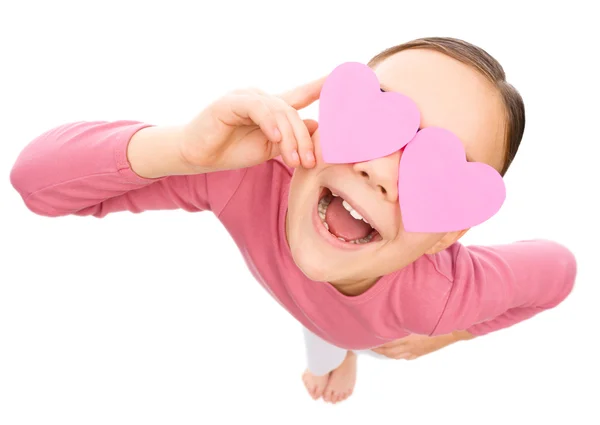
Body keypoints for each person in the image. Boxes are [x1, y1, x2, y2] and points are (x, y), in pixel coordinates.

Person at [10, 37, 577, 405]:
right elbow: (34, 182)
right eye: (375, 113)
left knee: (336, 335)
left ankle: (340, 350)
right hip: (313, 280)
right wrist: (184, 148)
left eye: (440, 171)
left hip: (357, 323)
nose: (380, 170)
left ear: (450, 236)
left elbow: (559, 272)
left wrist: (448, 337)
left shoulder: (439, 299)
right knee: (327, 317)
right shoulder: (244, 175)